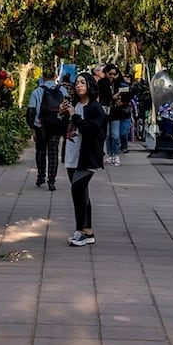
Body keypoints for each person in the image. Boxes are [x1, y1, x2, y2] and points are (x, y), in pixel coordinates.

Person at [61, 72, 106, 246]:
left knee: (77, 190)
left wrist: (74, 116)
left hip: (87, 157)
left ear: (89, 86)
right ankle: (88, 232)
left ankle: (80, 230)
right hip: (72, 155)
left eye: (83, 82)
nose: (79, 85)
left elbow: (91, 130)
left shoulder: (95, 108)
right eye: (77, 83)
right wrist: (62, 113)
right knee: (82, 194)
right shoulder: (74, 105)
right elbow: (64, 129)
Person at [26, 68, 68, 191]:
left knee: (40, 151)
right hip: (56, 125)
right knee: (53, 152)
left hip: (40, 126)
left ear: (43, 76)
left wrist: (32, 127)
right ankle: (52, 180)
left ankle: (40, 176)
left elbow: (31, 111)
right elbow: (67, 109)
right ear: (55, 76)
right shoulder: (63, 90)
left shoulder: (37, 92)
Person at [98, 64, 123, 165]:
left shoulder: (118, 83)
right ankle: (109, 154)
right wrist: (113, 97)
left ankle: (116, 154)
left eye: (114, 74)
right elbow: (104, 96)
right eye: (110, 74)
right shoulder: (101, 83)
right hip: (105, 110)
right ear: (106, 73)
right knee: (107, 134)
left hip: (115, 111)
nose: (112, 76)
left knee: (115, 135)